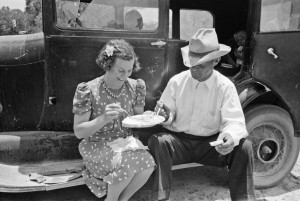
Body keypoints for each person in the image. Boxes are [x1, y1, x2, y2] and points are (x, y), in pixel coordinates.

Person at [148, 28, 255, 201]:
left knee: (244, 146)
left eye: (201, 65)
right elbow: (168, 117)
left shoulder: (225, 86)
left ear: (216, 60)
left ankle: (244, 199)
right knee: (159, 141)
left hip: (211, 145)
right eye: (191, 64)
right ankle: (160, 198)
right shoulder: (177, 81)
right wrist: (165, 115)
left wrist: (229, 137)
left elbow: (235, 122)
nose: (194, 69)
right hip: (179, 142)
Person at [73, 39, 155, 201]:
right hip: (96, 145)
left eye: (129, 70)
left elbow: (136, 116)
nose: (125, 76)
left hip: (123, 143)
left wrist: (147, 116)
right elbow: (79, 131)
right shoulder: (88, 90)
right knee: (128, 162)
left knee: (149, 164)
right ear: (107, 65)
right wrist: (103, 118)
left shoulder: (135, 86)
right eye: (120, 71)